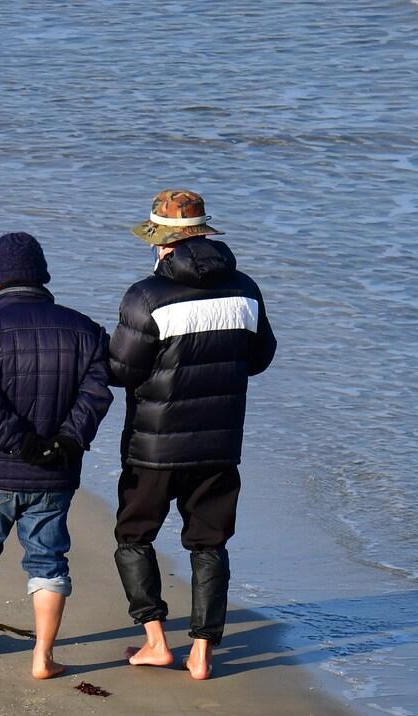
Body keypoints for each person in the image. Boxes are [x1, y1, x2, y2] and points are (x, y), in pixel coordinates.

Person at [108, 190, 276, 680]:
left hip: (153, 446)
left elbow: (121, 369)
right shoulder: (245, 289)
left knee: (134, 535)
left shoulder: (146, 295)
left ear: (163, 243)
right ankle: (202, 653)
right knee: (209, 544)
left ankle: (155, 640)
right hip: (219, 444)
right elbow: (260, 359)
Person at [0, 232, 113, 679]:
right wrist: (65, 442)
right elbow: (95, 396)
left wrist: (21, 443)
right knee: (47, 557)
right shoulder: (87, 331)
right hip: (54, 472)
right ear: (43, 278)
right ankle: (43, 655)